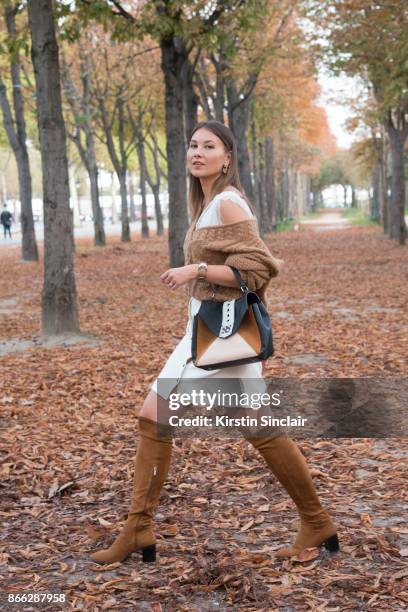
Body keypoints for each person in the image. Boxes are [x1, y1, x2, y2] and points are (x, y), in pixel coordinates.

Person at [89, 120, 340, 565]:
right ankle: (316, 520)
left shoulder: (227, 203)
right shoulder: (207, 201)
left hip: (219, 335)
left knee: (155, 416)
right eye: (192, 145)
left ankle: (138, 527)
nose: (197, 152)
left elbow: (260, 268)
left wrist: (196, 271)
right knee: (256, 426)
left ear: (227, 158)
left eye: (209, 146)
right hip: (207, 331)